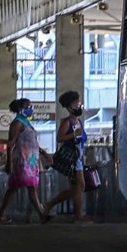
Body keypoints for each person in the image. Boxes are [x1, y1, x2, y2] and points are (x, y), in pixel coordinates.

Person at [0, 98, 50, 224]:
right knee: (16, 187)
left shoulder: (27, 123)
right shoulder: (17, 123)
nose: (31, 109)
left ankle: (41, 214)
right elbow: (11, 144)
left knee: (28, 186)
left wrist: (44, 153)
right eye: (28, 107)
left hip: (30, 161)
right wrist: (9, 162)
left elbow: (33, 143)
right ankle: (41, 214)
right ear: (21, 109)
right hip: (22, 160)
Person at [44, 90, 91, 224]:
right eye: (76, 103)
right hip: (72, 158)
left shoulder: (79, 121)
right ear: (69, 107)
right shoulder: (67, 122)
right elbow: (60, 138)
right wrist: (73, 135)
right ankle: (78, 215)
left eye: (79, 103)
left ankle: (51, 205)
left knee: (76, 188)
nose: (79, 106)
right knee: (80, 185)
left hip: (79, 157)